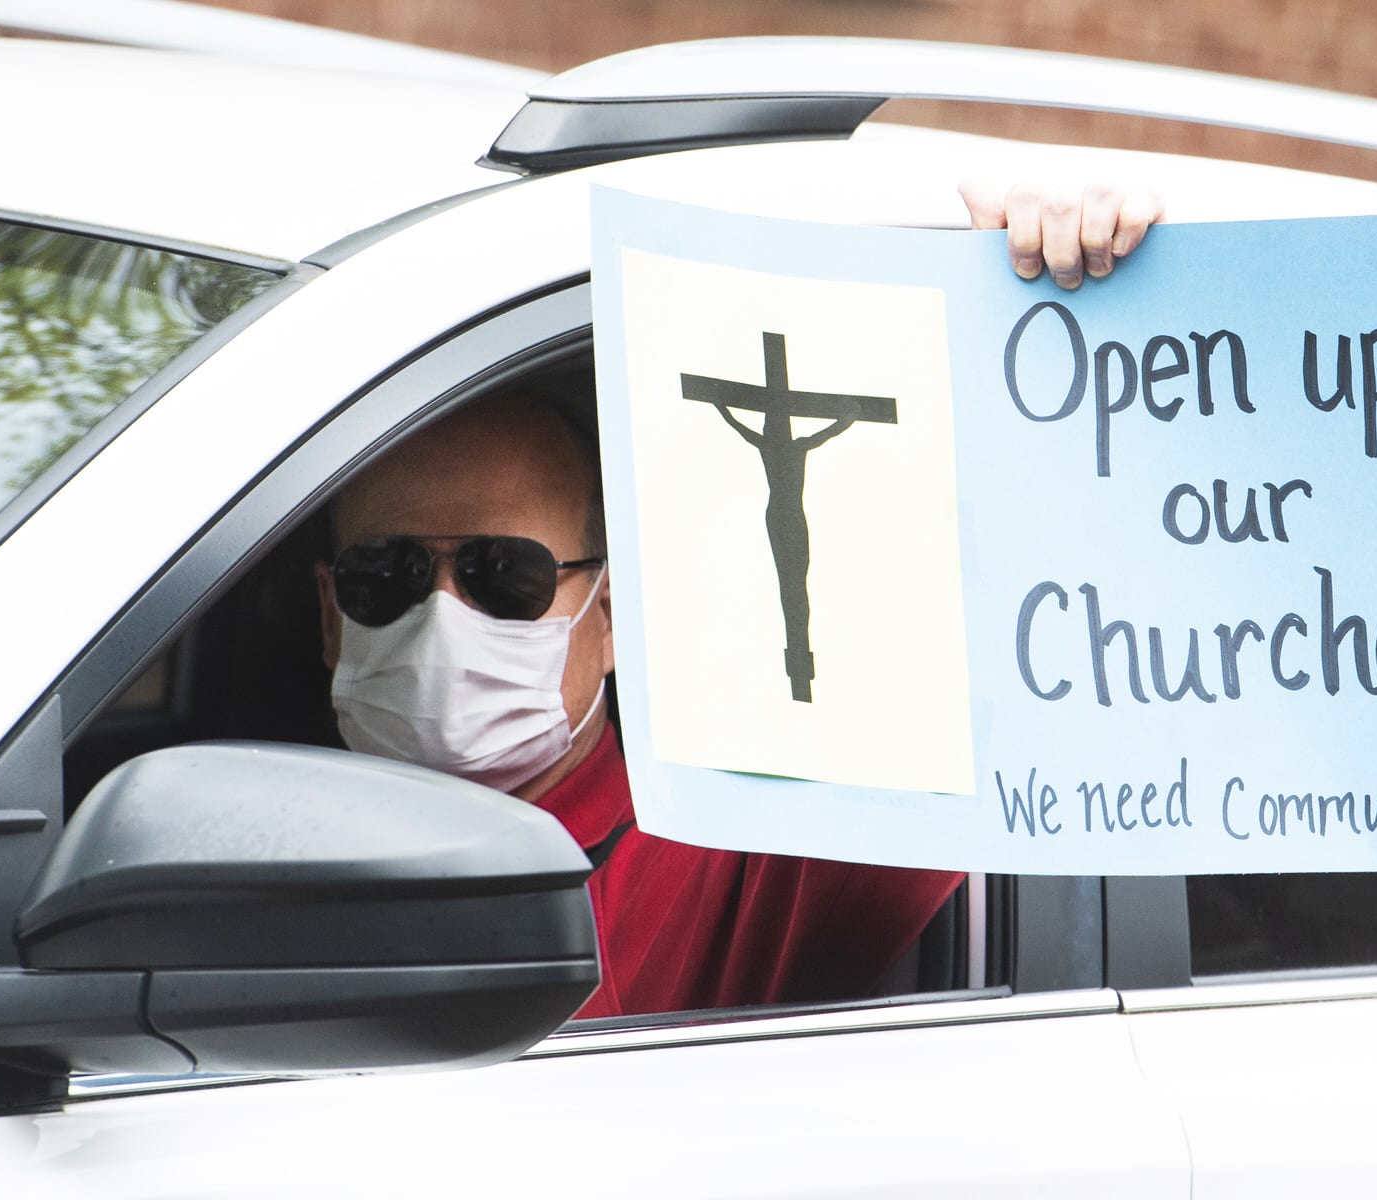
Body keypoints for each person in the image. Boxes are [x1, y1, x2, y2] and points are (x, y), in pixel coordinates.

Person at [314, 181, 1163, 1018]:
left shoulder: (740, 834)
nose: (441, 614)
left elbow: (1030, 653)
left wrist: (1056, 313)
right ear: (328, 614)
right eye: (386, 574)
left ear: (610, 613)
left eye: (506, 575)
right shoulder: (246, 855)